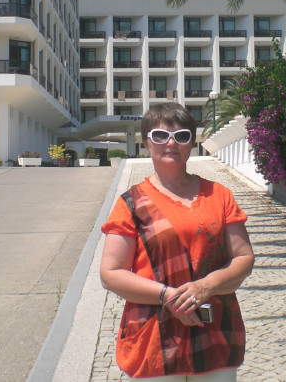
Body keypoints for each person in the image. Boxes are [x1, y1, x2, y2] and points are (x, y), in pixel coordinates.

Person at [100, 103, 255, 381]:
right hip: (154, 339)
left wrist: (207, 286)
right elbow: (111, 274)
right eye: (160, 135)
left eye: (181, 136)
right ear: (146, 142)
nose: (171, 143)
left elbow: (243, 258)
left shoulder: (219, 195)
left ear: (191, 143)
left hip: (215, 333)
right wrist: (168, 297)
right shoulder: (131, 203)